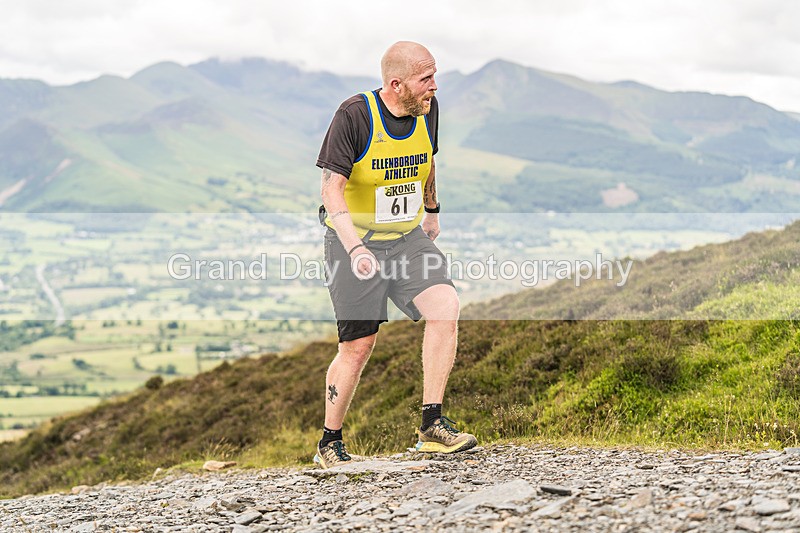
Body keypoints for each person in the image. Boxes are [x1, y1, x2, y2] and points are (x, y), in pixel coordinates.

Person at [314, 41, 477, 468]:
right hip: (355, 241)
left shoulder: (427, 109)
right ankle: (329, 443)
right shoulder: (354, 116)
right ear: (396, 84)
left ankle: (432, 425)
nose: (434, 87)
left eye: (435, 76)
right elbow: (331, 189)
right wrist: (354, 247)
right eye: (426, 79)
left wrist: (433, 211)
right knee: (358, 345)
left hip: (406, 239)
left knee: (446, 306)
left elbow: (428, 160)